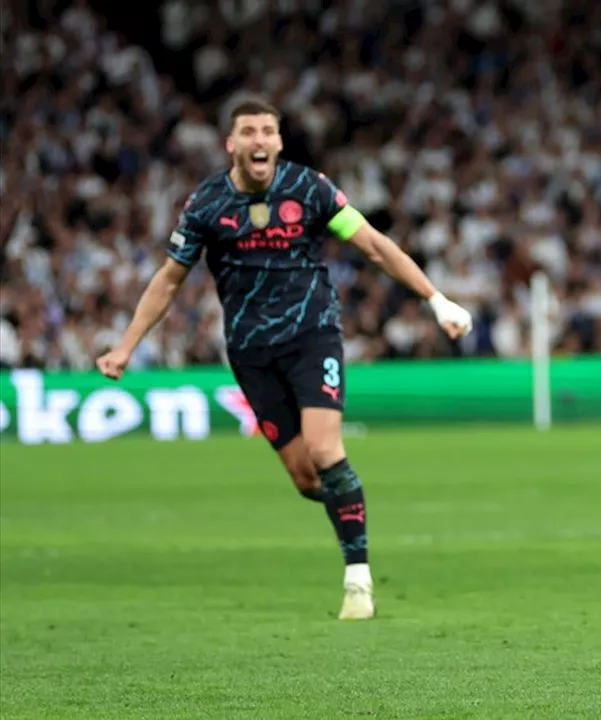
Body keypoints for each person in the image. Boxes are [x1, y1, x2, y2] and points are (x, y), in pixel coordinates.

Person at [96, 98, 475, 621]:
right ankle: (352, 509)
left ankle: (358, 579)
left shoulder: (311, 190)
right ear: (231, 144)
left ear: (278, 141)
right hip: (251, 354)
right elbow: (169, 279)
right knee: (306, 479)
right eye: (248, 131)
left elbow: (373, 245)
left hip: (312, 335)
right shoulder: (206, 205)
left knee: (324, 449)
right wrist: (126, 345)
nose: (258, 140)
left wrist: (436, 300)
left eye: (267, 131)